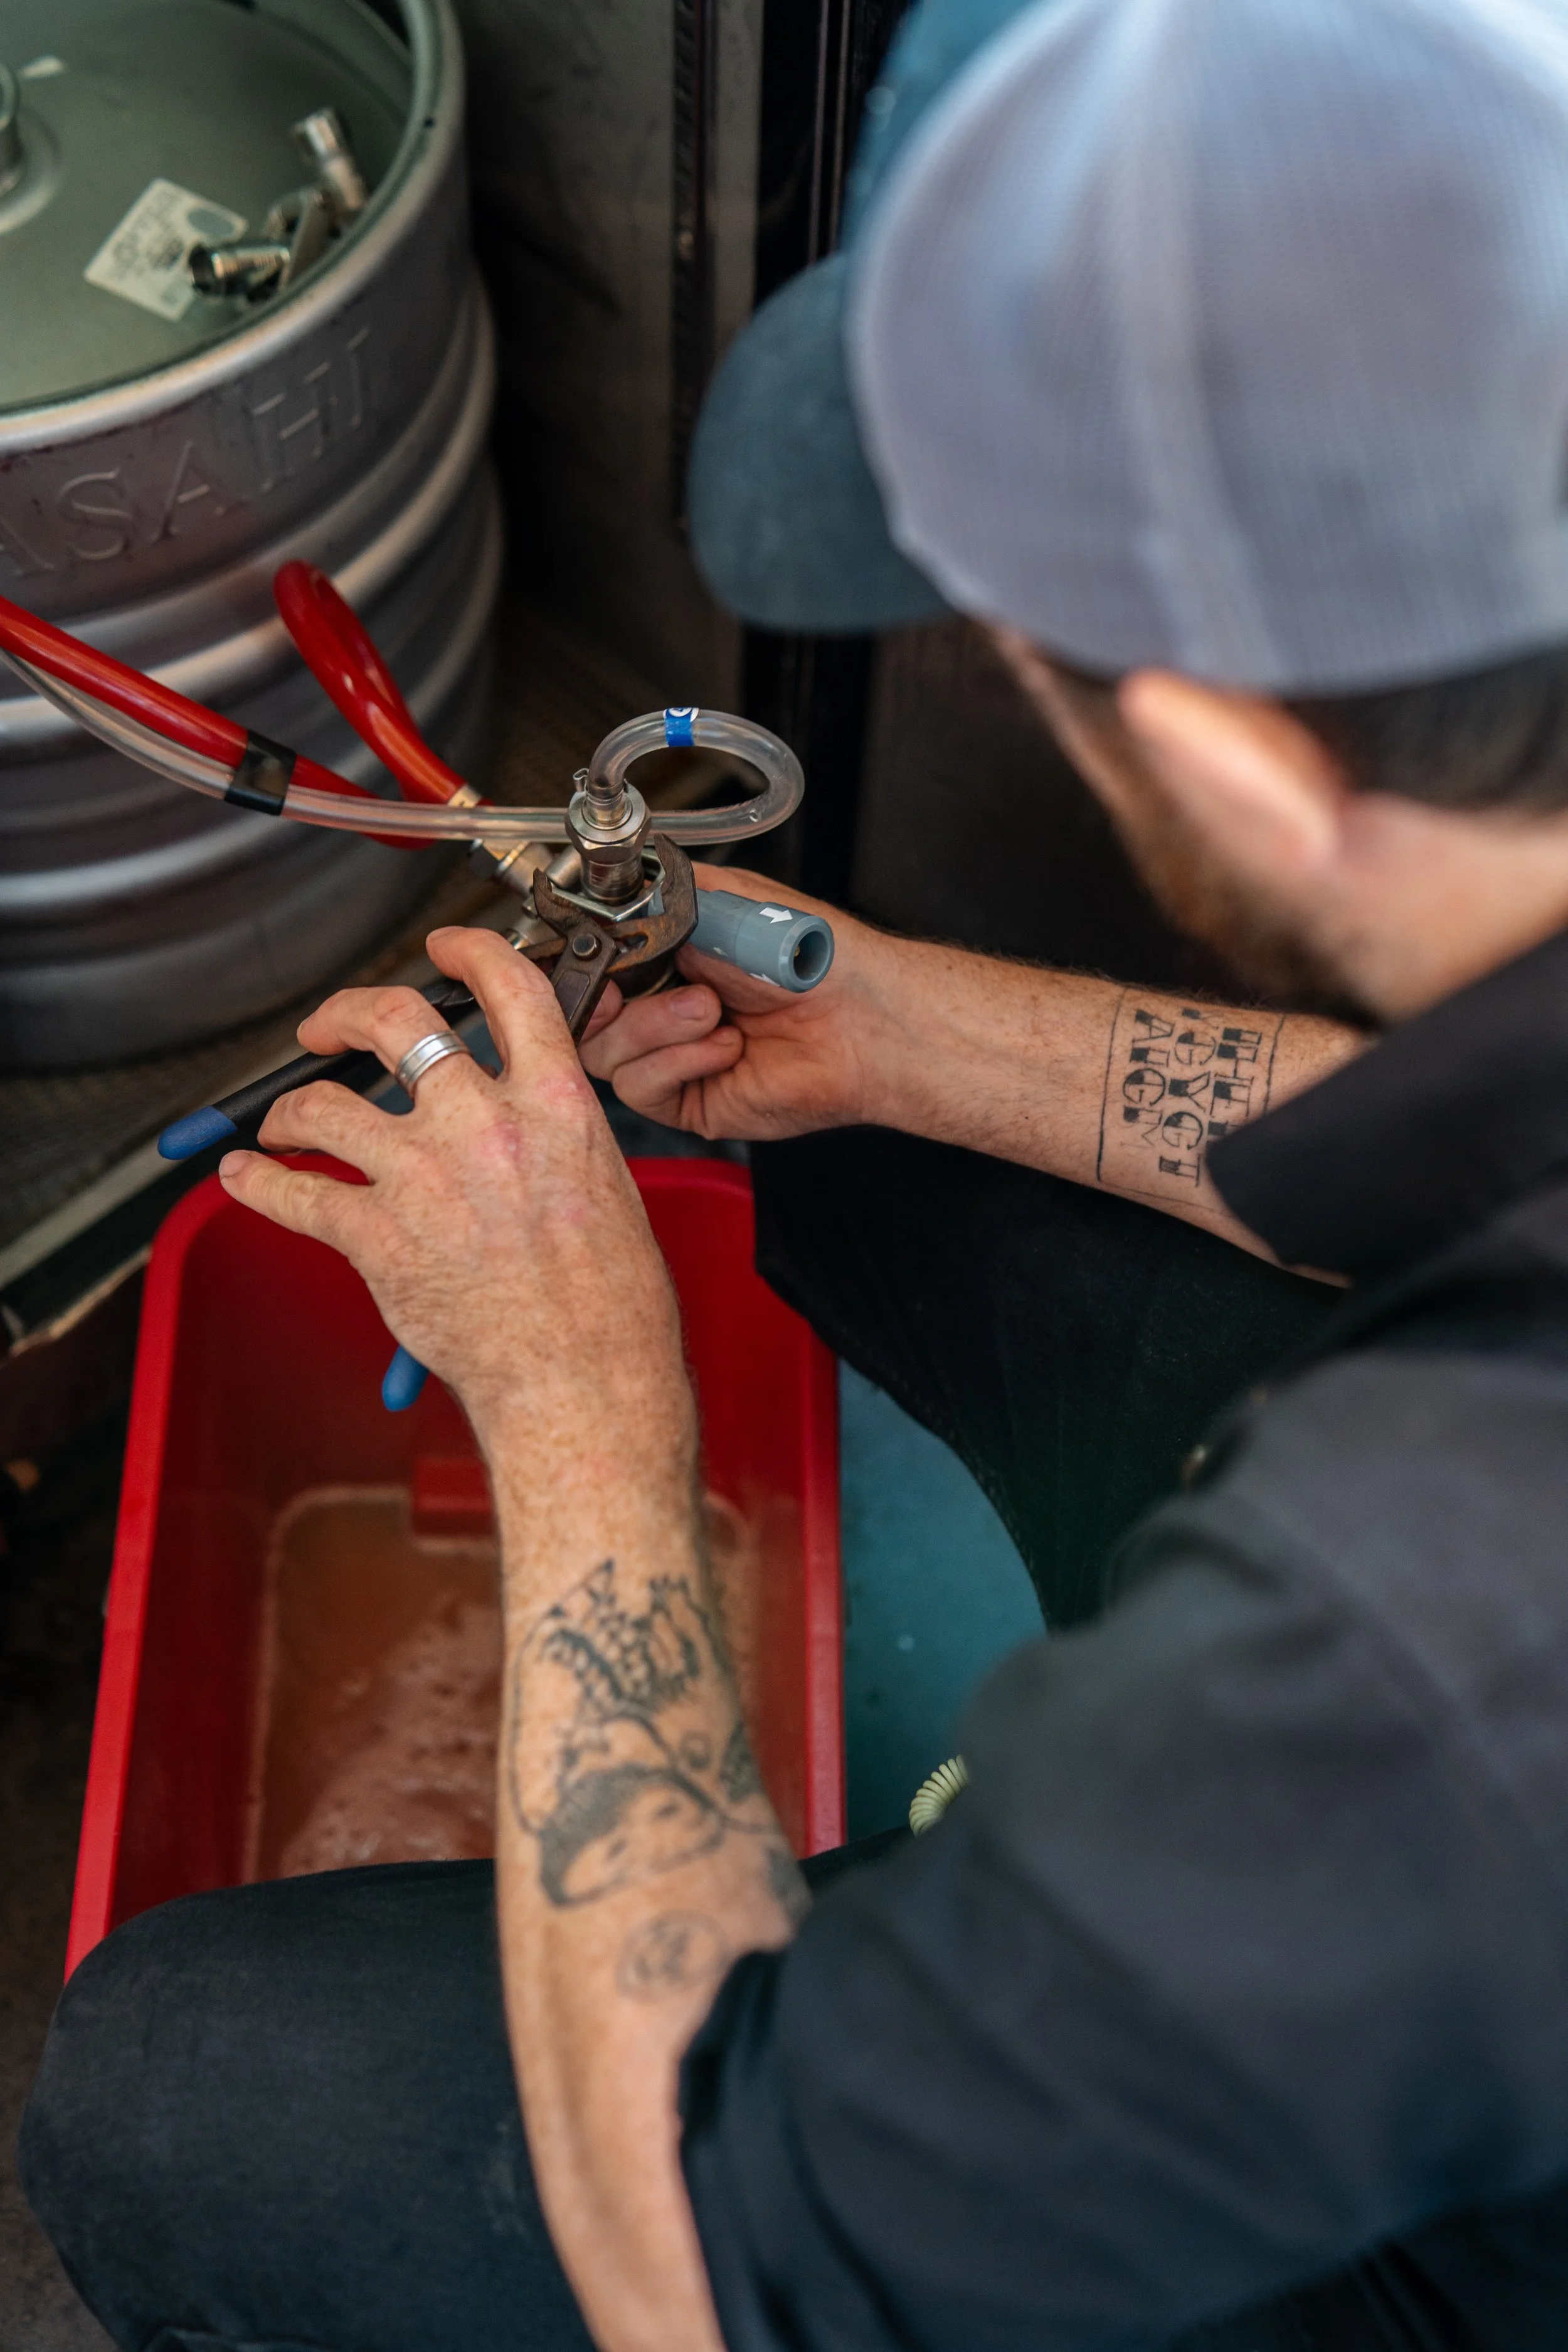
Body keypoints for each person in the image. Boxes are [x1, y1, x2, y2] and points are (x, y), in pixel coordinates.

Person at [23, 1, 1568, 2348]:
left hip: (1433, 2228)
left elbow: (707, 2281)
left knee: (188, 2091)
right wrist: (912, 1030)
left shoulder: (1422, 1625)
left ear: (1232, 756)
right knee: (880, 1157)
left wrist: (572, 1404)